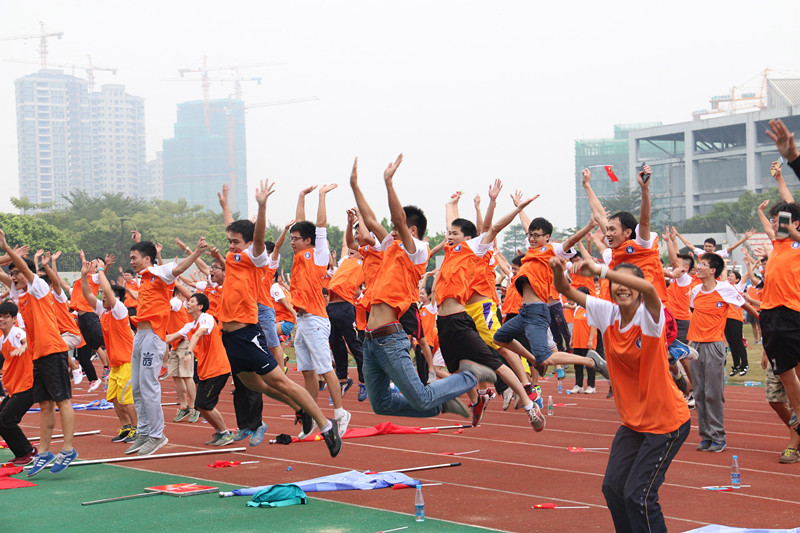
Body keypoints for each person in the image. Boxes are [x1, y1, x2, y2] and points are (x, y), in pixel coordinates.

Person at [551, 255, 690, 533]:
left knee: (639, 496)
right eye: (615, 283)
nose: (620, 288)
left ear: (637, 288)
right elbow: (565, 290)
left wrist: (605, 271)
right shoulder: (608, 313)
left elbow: (651, 290)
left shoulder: (650, 317)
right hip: (634, 422)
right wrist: (556, 270)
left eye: (625, 282)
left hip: (666, 422)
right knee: (613, 489)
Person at [349, 155, 495, 418]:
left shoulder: (418, 252)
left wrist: (388, 183)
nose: (390, 230)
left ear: (411, 230)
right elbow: (370, 221)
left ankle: (469, 375)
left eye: (396, 227)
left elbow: (398, 221)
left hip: (389, 338)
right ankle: (439, 403)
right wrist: (355, 186)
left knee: (421, 396)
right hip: (371, 340)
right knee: (381, 404)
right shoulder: (390, 247)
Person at [217, 181, 342, 457]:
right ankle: (300, 407)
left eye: (236, 242)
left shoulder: (255, 256)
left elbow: (257, 236)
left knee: (279, 381)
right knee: (253, 384)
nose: (231, 246)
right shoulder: (234, 253)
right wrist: (225, 206)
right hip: (230, 335)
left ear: (249, 244)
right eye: (229, 242)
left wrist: (262, 207)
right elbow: (235, 231)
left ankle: (325, 423)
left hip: (248, 331)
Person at [0, 230, 77, 476]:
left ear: (28, 274)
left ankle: (67, 448)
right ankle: (43, 451)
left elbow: (24, 267)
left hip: (53, 350)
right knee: (45, 404)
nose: (14, 277)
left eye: (17, 273)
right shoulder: (19, 297)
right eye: (12, 275)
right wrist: (6, 259)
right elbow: (8, 276)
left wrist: (8, 249)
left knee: (63, 401)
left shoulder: (39, 288)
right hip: (38, 356)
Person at [124, 232, 207, 457]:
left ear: (146, 259)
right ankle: (143, 432)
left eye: (134, 257)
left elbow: (177, 270)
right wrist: (139, 242)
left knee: (149, 386)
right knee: (138, 387)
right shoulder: (145, 275)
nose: (131, 262)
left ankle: (157, 434)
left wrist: (197, 252)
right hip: (139, 336)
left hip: (153, 336)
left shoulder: (160, 273)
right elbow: (145, 254)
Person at [289, 183, 351, 438]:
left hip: (315, 318)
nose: (292, 242)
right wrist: (301, 195)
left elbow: (319, 225)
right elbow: (301, 222)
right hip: (303, 320)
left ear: (308, 241)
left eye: (296, 239)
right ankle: (314, 417)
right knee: (306, 369)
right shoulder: (298, 257)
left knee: (325, 368)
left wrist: (322, 196)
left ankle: (340, 412)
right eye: (291, 238)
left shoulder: (318, 254)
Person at [688, 252, 757, 452]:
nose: (698, 267)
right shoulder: (695, 292)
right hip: (696, 347)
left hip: (714, 346)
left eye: (702, 264)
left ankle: (719, 436)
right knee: (699, 393)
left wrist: (763, 320)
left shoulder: (725, 289)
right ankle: (706, 435)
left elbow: (744, 305)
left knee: (713, 393)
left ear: (713, 270)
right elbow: (696, 313)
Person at [79, 255, 138, 444]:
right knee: (114, 398)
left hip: (127, 362)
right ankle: (126, 427)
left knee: (127, 399)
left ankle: (137, 430)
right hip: (115, 364)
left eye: (105, 296)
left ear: (116, 298)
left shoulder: (119, 309)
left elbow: (106, 290)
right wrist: (83, 275)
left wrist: (101, 269)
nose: (102, 298)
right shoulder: (103, 311)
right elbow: (88, 294)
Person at [166, 293, 233, 446]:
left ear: (200, 306)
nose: (188, 303)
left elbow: (198, 334)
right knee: (200, 405)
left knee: (205, 404)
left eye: (192, 301)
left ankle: (226, 433)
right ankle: (220, 431)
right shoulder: (190, 325)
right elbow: (171, 337)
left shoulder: (206, 318)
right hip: (206, 371)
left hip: (218, 368)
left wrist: (189, 351)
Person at [0, 301, 36, 466]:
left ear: (14, 319)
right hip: (15, 388)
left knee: (6, 420)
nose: (2, 319)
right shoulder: (3, 338)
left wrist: (24, 347)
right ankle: (22, 452)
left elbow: (26, 340)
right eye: (0, 316)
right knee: (2, 420)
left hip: (27, 386)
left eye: (6, 317)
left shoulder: (15, 333)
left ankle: (28, 452)